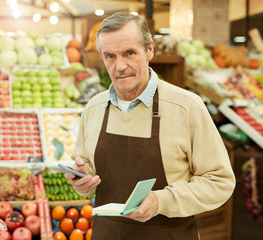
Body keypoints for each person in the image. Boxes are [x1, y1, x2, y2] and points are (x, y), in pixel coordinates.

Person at [64, 12, 236, 239]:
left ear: (149, 50)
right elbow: (85, 166)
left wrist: (161, 201)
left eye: (129, 53)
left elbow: (220, 181)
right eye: (110, 56)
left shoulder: (185, 107)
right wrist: (83, 180)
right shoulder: (94, 108)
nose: (120, 66)